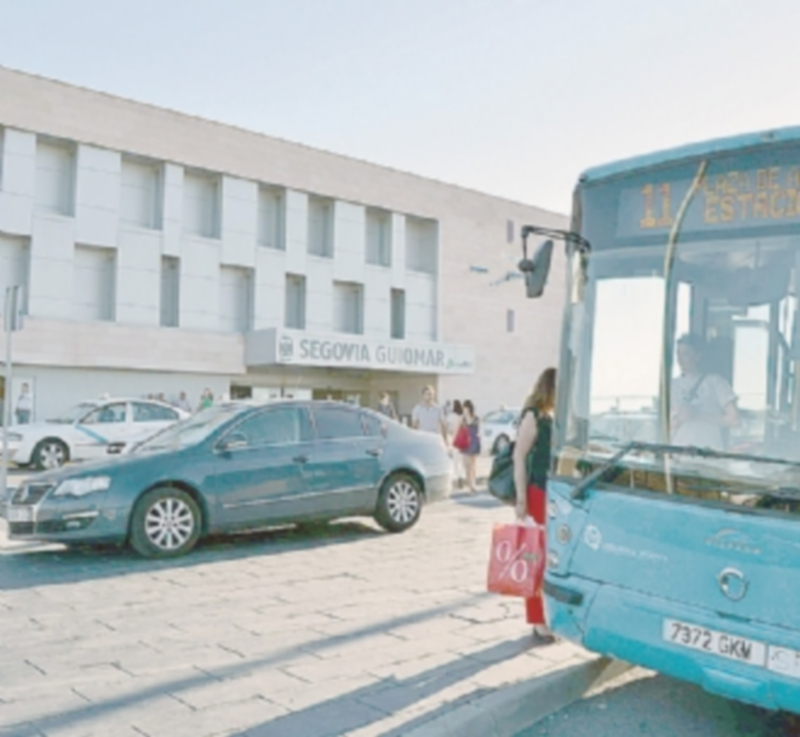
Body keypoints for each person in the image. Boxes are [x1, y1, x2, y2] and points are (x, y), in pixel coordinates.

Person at [513, 367, 557, 644]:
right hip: (536, 493)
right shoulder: (534, 416)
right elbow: (519, 457)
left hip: (552, 493)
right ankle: (537, 620)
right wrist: (521, 500)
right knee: (534, 557)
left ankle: (546, 616)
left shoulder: (553, 417)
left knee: (548, 556)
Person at [670, 334, 738, 450]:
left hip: (709, 453)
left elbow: (734, 420)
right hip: (679, 454)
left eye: (685, 354)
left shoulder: (716, 382)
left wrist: (698, 415)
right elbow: (665, 426)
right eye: (678, 354)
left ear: (698, 356)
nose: (680, 359)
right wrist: (680, 419)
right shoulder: (672, 386)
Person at [460, 400, 481, 493]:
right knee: (466, 465)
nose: (464, 409)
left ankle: (473, 484)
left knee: (472, 465)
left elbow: (472, 424)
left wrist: (466, 415)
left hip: (473, 442)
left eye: (465, 407)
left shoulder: (475, 417)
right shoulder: (462, 418)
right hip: (465, 443)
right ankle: (471, 485)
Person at [447, 400, 466, 488]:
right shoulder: (462, 416)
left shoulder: (452, 416)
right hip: (463, 440)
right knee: (462, 461)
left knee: (455, 461)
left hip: (455, 440)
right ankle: (462, 477)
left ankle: (458, 478)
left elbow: (451, 429)